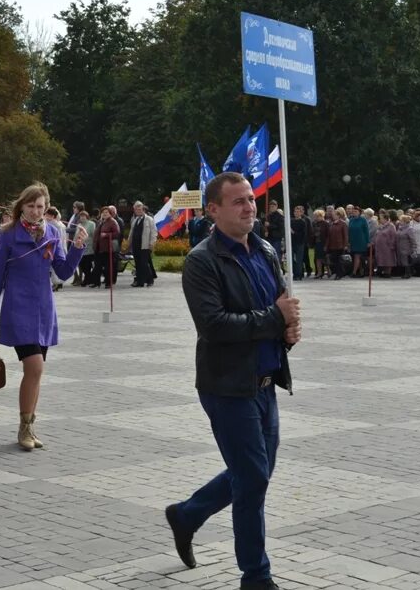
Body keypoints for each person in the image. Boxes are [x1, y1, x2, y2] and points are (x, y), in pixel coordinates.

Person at [166, 172, 300, 590]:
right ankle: (257, 578)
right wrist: (275, 319)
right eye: (238, 201)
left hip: (265, 382)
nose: (249, 208)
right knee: (253, 480)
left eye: (251, 200)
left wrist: (288, 331)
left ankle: (187, 514)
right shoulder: (203, 261)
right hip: (226, 387)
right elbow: (215, 326)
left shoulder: (264, 249)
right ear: (213, 210)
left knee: (253, 474)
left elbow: (277, 305)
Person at [0, 183, 87, 451]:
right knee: (35, 367)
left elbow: (62, 272)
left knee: (37, 372)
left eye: (40, 207)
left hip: (43, 310)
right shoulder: (8, 234)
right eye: (30, 206)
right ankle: (24, 428)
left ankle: (29, 425)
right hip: (18, 309)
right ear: (22, 206)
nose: (35, 212)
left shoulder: (52, 232)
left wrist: (77, 248)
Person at [129, 201, 157, 287]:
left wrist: (152, 243)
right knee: (137, 263)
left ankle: (150, 280)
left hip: (145, 245)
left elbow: (154, 232)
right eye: (136, 209)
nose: (138, 210)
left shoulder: (149, 219)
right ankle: (140, 281)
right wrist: (128, 243)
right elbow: (131, 232)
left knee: (144, 263)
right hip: (135, 245)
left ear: (143, 209)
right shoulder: (135, 220)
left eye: (140, 209)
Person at [91, 207, 119, 288]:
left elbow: (117, 234)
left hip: (108, 248)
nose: (104, 214)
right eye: (103, 212)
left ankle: (108, 283)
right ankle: (96, 282)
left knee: (108, 267)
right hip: (99, 248)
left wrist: (107, 235)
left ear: (110, 213)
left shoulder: (113, 222)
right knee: (97, 266)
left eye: (106, 212)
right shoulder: (101, 222)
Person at [373, 210, 398, 277]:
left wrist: (392, 245)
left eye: (381, 218)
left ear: (385, 219)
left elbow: (394, 236)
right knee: (381, 259)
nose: (380, 220)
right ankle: (382, 271)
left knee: (388, 259)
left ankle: (388, 272)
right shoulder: (380, 226)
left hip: (388, 246)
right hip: (380, 247)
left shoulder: (391, 226)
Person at [326, 207, 349, 280]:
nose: (333, 216)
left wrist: (345, 245)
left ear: (338, 215)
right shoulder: (332, 224)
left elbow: (345, 235)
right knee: (333, 260)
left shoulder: (343, 224)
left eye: (335, 215)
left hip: (340, 245)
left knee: (339, 260)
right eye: (333, 215)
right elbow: (329, 235)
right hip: (332, 245)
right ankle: (338, 272)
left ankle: (339, 274)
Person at [347, 205, 370, 277]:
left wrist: (368, 242)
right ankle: (361, 272)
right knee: (356, 257)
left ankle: (354, 272)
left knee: (357, 256)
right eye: (353, 211)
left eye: (356, 211)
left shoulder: (363, 220)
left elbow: (366, 232)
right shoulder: (351, 220)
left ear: (359, 212)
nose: (354, 212)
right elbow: (349, 231)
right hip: (353, 241)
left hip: (361, 241)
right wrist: (348, 242)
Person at [289, 206, 309, 281]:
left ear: (301, 213)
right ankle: (295, 273)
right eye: (295, 212)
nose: (296, 213)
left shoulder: (303, 222)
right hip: (292, 242)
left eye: (298, 212)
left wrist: (294, 232)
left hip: (300, 243)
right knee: (292, 259)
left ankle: (299, 274)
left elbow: (303, 233)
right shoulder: (291, 221)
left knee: (299, 259)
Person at [311, 209, 329, 279]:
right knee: (318, 258)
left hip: (324, 243)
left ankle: (329, 271)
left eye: (318, 216)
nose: (316, 218)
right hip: (317, 243)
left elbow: (328, 235)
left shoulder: (326, 224)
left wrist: (326, 245)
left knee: (325, 258)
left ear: (322, 216)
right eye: (315, 216)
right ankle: (319, 272)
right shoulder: (315, 223)